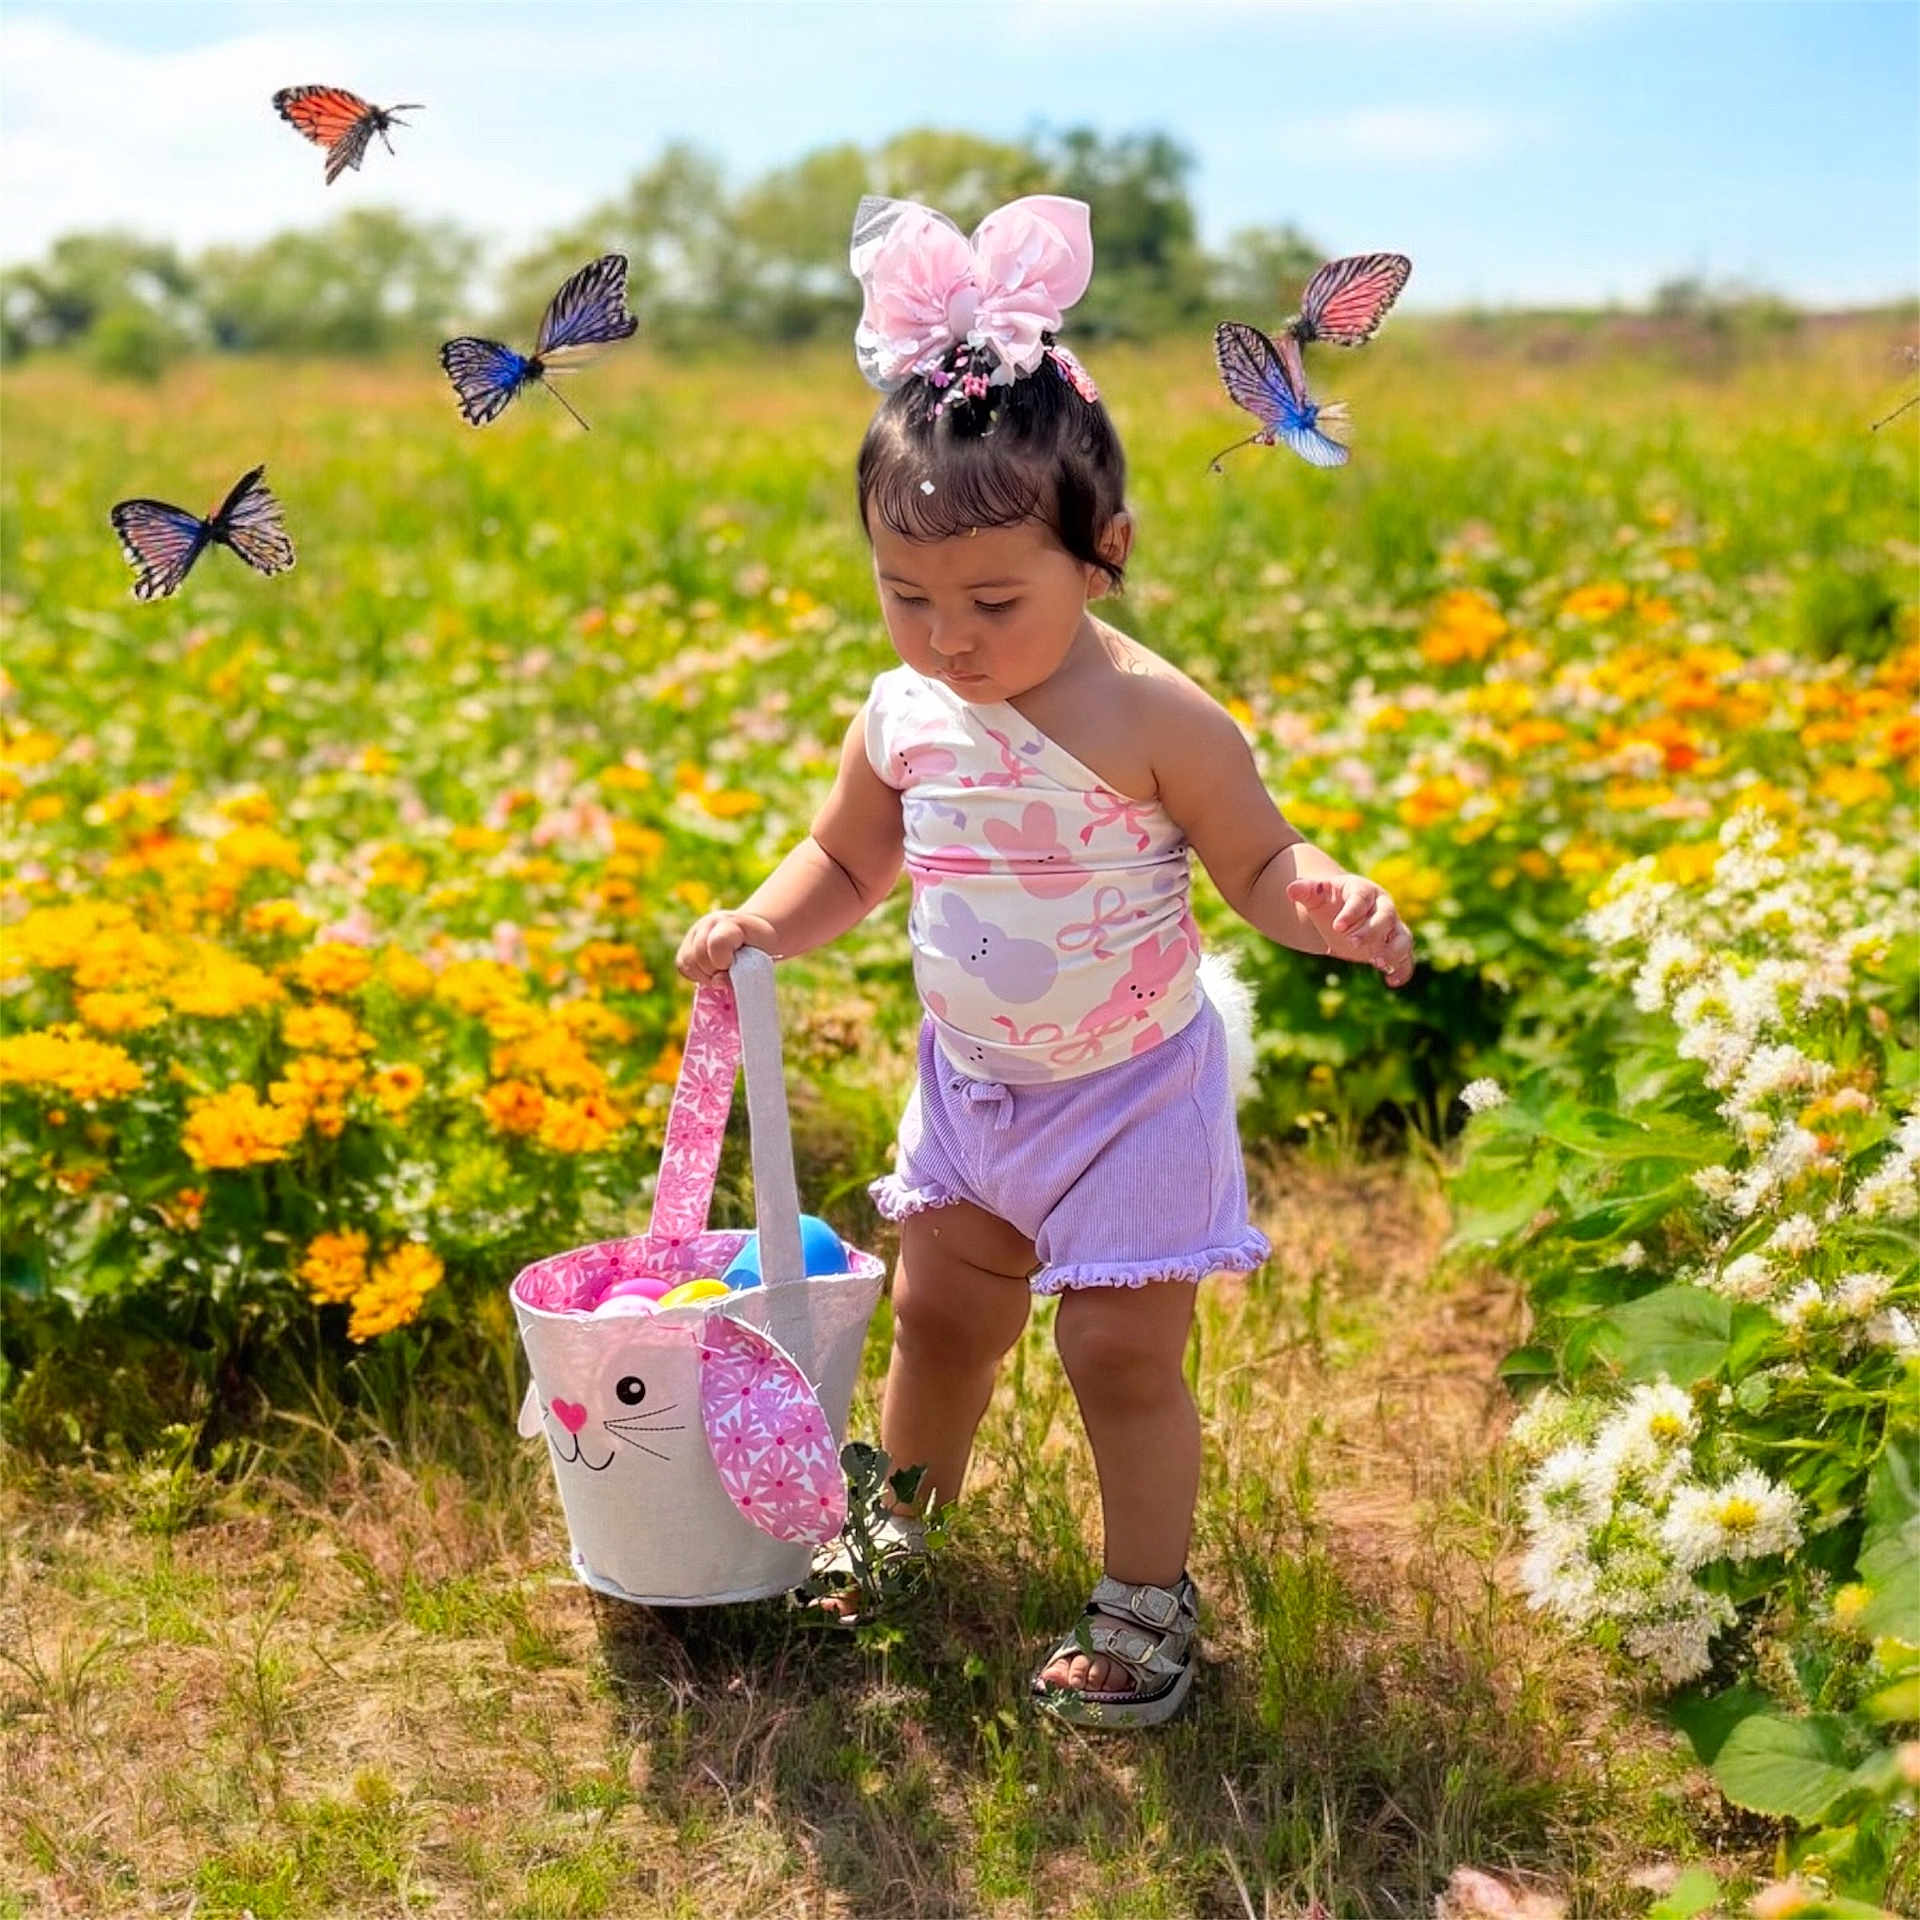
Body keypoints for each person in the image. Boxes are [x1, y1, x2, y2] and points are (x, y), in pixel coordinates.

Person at [676, 195, 1415, 1727]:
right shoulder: (902, 715)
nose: (948, 636)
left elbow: (1260, 865)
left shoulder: (1162, 722)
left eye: (994, 599)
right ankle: (901, 1524)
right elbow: (850, 861)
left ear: (1105, 556)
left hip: (1131, 1091)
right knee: (944, 1320)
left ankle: (1148, 1605)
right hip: (976, 1086)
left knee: (1116, 1356)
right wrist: (761, 918)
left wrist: (1324, 899)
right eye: (908, 596)